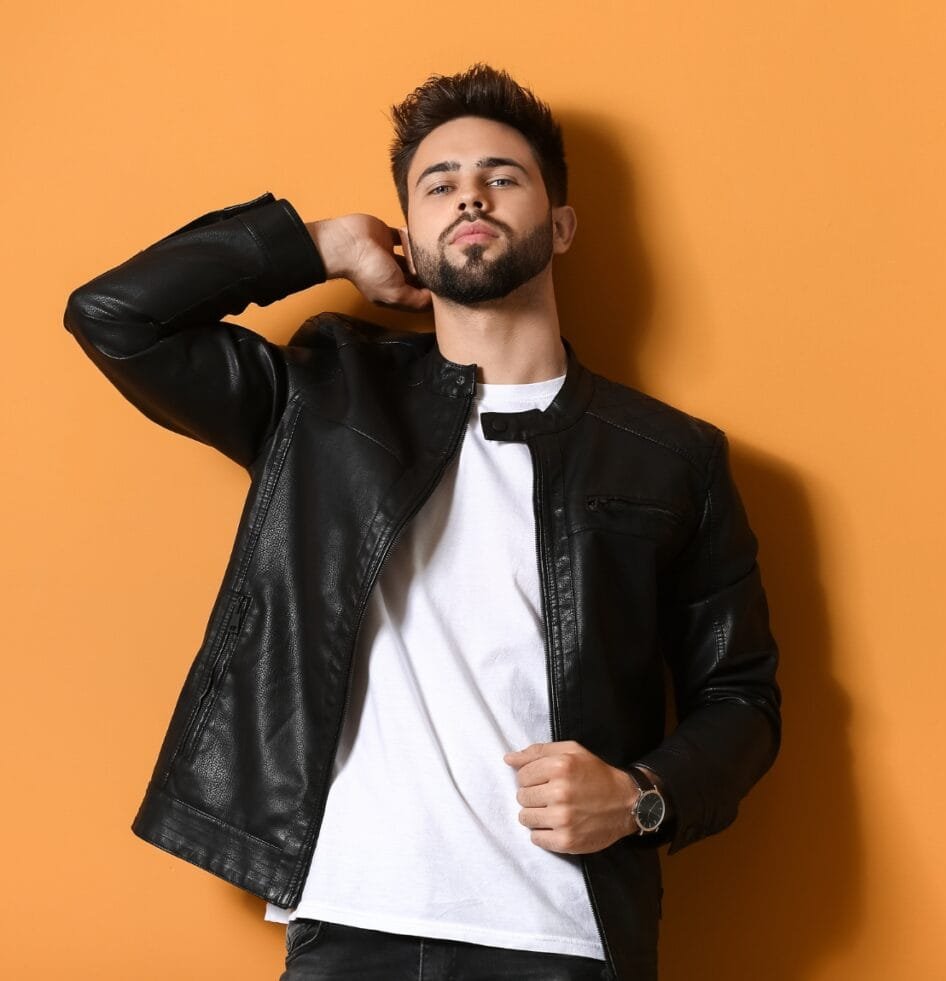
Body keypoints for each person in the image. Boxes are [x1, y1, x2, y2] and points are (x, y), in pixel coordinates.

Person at [64, 64, 781, 981]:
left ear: (561, 225)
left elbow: (743, 695)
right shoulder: (320, 397)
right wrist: (318, 244)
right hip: (347, 923)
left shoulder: (671, 456)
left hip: (562, 937)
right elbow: (115, 317)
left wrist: (641, 798)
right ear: (410, 233)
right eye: (437, 184)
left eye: (502, 175)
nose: (468, 194)